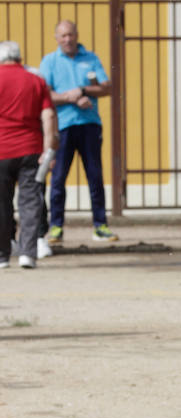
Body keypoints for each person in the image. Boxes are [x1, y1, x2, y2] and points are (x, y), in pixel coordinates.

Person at [40, 20, 118, 244]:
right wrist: (71, 97)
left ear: (76, 35)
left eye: (70, 35)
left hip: (89, 125)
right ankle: (56, 227)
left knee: (95, 175)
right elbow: (45, 94)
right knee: (58, 178)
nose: (67, 39)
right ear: (56, 38)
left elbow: (106, 87)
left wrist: (83, 90)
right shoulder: (50, 61)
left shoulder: (90, 58)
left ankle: (100, 225)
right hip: (62, 126)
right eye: (63, 35)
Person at [0, 41, 58, 270]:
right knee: (30, 202)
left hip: (2, 151)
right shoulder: (36, 80)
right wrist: (48, 149)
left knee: (2, 203)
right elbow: (49, 117)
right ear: (19, 57)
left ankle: (3, 255)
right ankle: (28, 253)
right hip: (31, 149)